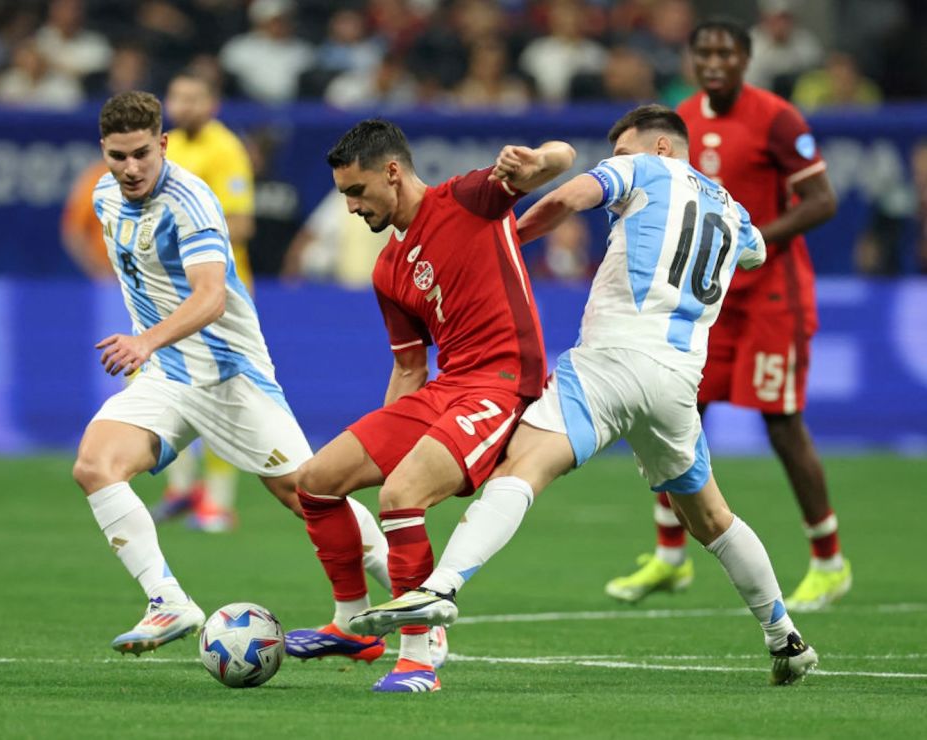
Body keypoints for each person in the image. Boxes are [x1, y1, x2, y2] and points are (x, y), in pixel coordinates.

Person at [350, 104, 820, 688]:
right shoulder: (735, 210)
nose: (616, 162)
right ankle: (785, 637)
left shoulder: (645, 170)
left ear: (662, 149)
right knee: (711, 516)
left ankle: (440, 586)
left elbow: (570, 196)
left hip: (610, 360)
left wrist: (505, 242)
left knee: (520, 469)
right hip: (677, 379)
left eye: (623, 151)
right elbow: (753, 252)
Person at [72, 91, 391, 656]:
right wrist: (152, 347)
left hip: (228, 377)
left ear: (163, 144)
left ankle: (415, 601)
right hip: (169, 375)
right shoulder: (104, 195)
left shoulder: (190, 201)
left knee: (309, 496)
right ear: (104, 151)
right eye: (118, 156)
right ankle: (167, 601)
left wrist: (143, 340)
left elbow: (212, 297)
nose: (131, 168)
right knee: (96, 465)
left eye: (142, 153)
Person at [282, 118, 575, 692]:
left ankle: (419, 655)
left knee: (401, 496)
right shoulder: (388, 269)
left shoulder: (470, 198)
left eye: (357, 191)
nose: (350, 207)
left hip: (503, 384)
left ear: (392, 172)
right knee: (314, 481)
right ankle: (353, 624)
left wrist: (537, 156)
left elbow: (563, 159)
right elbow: (410, 368)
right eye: (345, 195)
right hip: (445, 389)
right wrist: (396, 442)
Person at [604, 19, 848, 613]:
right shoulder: (681, 118)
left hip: (772, 297)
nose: (714, 61)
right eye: (703, 51)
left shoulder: (778, 118)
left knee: (781, 422)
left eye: (726, 52)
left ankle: (828, 560)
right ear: (690, 59)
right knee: (675, 414)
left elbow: (822, 200)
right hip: (709, 300)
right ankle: (668, 557)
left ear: (746, 57)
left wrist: (753, 239)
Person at [152, 68, 257, 532]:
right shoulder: (165, 146)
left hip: (220, 293)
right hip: (170, 291)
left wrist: (178, 240)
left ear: (212, 104)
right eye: (177, 95)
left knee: (220, 392)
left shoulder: (226, 149)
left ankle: (217, 502)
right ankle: (180, 490)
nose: (184, 105)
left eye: (194, 97)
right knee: (158, 385)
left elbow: (240, 225)